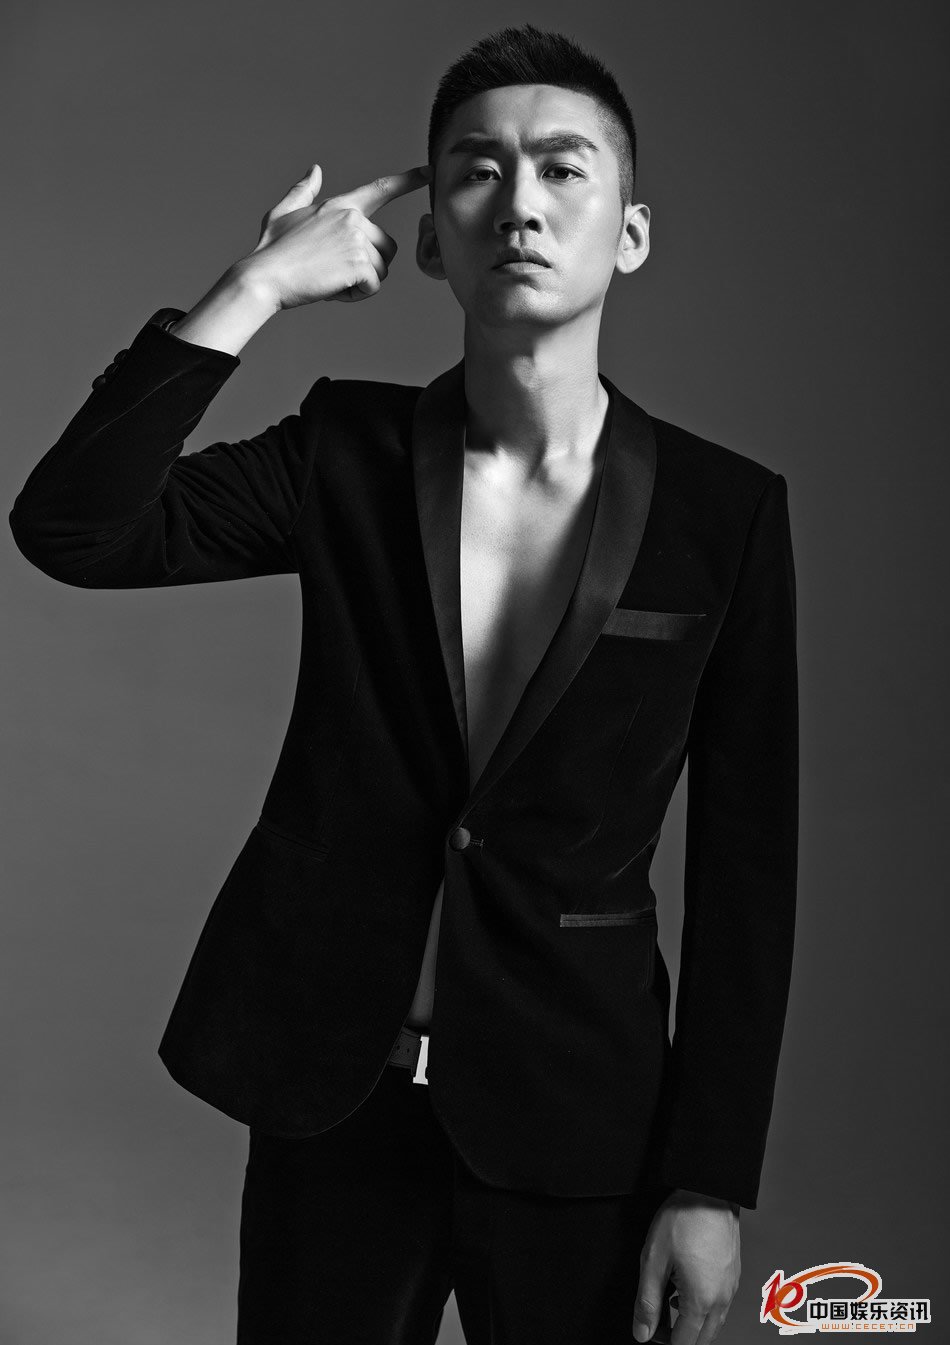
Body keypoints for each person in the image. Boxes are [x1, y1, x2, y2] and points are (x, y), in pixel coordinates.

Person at [8, 23, 798, 1345]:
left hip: (575, 1118)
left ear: (631, 233)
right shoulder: (347, 452)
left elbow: (749, 872)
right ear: (432, 241)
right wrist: (254, 286)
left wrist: (709, 1180)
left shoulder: (727, 515)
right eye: (477, 172)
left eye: (563, 169)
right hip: (335, 1101)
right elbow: (74, 527)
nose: (520, 204)